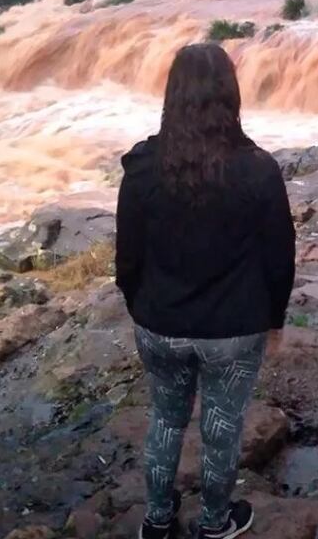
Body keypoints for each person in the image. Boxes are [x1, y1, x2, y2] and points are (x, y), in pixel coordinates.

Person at [115, 43, 296, 539]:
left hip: (160, 323)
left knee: (166, 420)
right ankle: (215, 524)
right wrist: (275, 320)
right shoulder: (259, 170)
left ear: (172, 95)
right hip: (233, 331)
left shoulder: (143, 167)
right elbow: (279, 257)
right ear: (230, 94)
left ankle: (157, 520)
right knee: (222, 428)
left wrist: (141, 308)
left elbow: (127, 258)